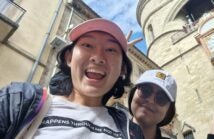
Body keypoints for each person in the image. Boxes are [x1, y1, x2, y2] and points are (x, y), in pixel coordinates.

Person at [0, 18, 144, 139]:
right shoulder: (18, 100)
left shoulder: (131, 131)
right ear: (69, 57)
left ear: (122, 69)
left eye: (111, 50)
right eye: (88, 45)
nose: (98, 57)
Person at [127, 69, 214, 139]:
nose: (150, 100)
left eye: (161, 98)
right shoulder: (110, 127)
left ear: (168, 111)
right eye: (145, 90)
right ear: (133, 93)